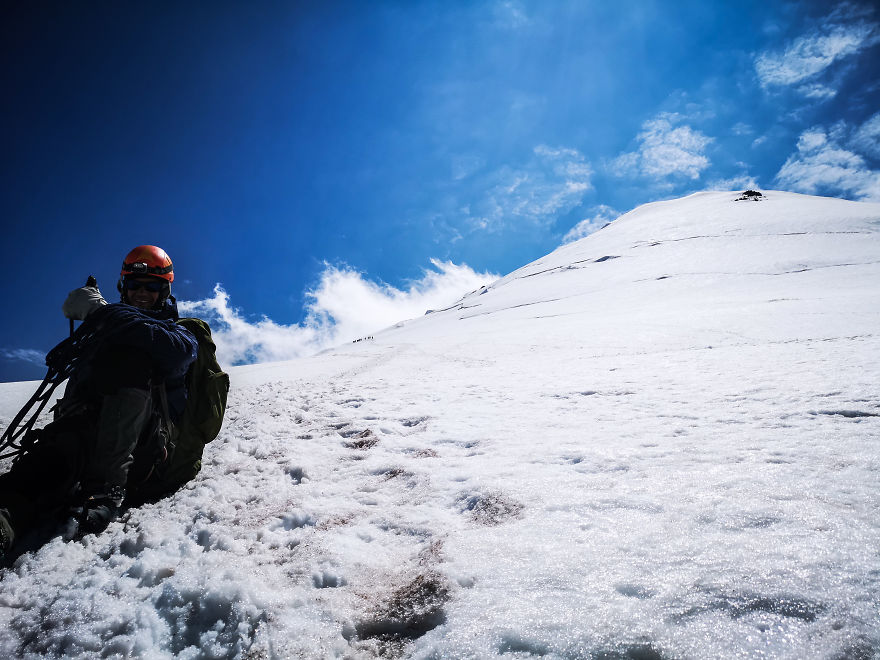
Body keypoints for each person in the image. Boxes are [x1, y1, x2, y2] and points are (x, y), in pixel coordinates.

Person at [0, 246, 200, 558]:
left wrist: (103, 314)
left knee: (131, 356)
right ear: (124, 287)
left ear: (165, 292)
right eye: (136, 286)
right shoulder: (106, 330)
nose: (143, 293)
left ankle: (106, 489)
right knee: (40, 470)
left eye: (153, 287)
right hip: (83, 435)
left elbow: (177, 352)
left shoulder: (178, 332)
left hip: (144, 451)